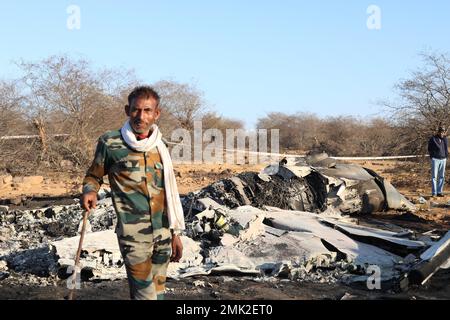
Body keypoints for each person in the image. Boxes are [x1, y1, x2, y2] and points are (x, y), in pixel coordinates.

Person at [81, 86, 185, 300]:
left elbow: (168, 192)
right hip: (133, 236)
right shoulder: (110, 143)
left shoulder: (160, 146)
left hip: (163, 234)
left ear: (157, 114)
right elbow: (94, 175)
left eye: (147, 111)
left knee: (159, 294)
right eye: (136, 110)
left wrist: (175, 234)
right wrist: (89, 191)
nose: (141, 116)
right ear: (127, 110)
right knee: (144, 296)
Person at [428, 125, 448, 198]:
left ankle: (439, 191)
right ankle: (434, 192)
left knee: (442, 176)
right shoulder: (433, 138)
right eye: (440, 131)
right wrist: (432, 156)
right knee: (434, 176)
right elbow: (429, 148)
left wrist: (446, 156)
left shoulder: (445, 139)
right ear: (438, 132)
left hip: (443, 159)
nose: (442, 133)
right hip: (435, 159)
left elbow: (446, 148)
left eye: (443, 131)